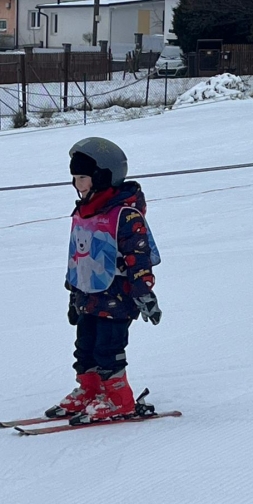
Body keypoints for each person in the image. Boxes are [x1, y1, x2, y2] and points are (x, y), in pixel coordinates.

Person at [46, 137, 162, 423]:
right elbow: (77, 256)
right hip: (88, 294)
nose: (77, 184)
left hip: (118, 296)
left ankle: (119, 400)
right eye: (75, 178)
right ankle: (91, 390)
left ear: (102, 176)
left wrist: (144, 294)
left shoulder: (124, 215)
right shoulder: (83, 212)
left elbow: (138, 258)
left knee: (108, 349)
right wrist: (73, 295)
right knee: (84, 347)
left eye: (82, 177)